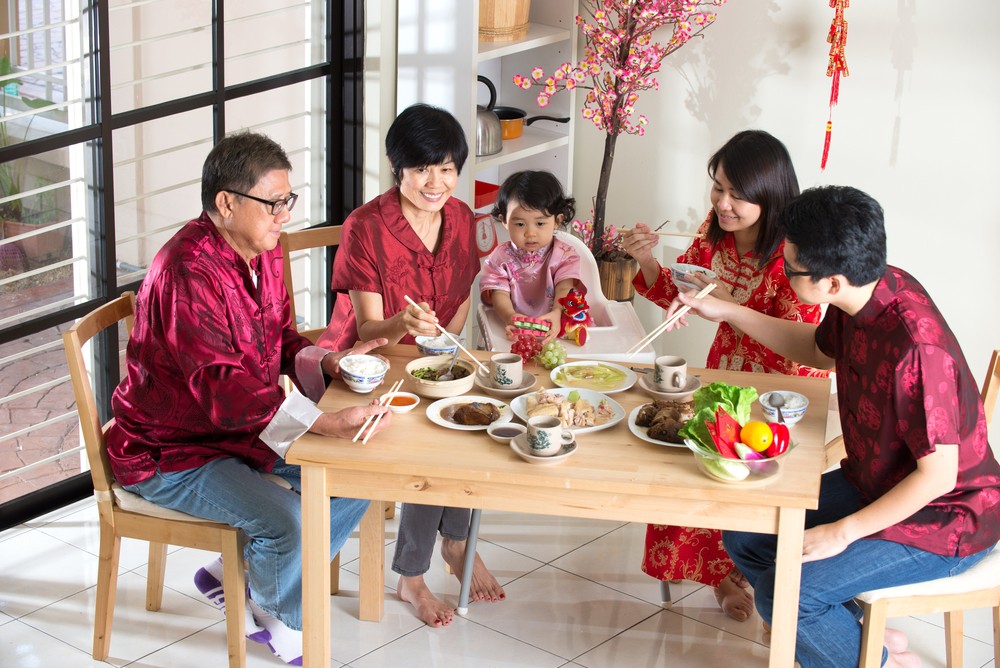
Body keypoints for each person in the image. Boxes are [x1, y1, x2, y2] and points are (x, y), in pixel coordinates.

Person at [668, 185, 1000, 668]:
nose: (783, 272)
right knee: (746, 535)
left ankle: (869, 659)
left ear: (832, 282)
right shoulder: (868, 294)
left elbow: (939, 476)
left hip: (946, 516)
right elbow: (818, 351)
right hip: (875, 479)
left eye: (790, 269)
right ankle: (860, 642)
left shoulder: (915, 348)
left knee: (788, 594)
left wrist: (843, 532)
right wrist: (726, 310)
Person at [106, 131, 391, 665]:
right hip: (170, 451)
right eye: (274, 203)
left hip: (239, 430)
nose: (284, 215)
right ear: (226, 204)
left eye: (289, 200)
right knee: (286, 519)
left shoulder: (263, 250)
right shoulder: (185, 271)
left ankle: (241, 576)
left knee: (360, 473)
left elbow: (281, 338)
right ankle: (279, 614)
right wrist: (321, 424)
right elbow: (222, 391)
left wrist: (329, 362)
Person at [621, 130, 827, 621]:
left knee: (753, 480)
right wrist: (646, 261)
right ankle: (720, 574)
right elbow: (683, 293)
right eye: (718, 187)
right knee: (702, 469)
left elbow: (803, 337)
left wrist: (727, 308)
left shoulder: (793, 254)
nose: (723, 203)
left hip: (782, 387)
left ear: (770, 194)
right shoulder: (716, 233)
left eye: (738, 194)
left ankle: (745, 576)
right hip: (725, 372)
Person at [316, 103, 504, 628]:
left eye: (446, 168)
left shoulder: (463, 218)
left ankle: (457, 543)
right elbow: (368, 328)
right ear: (398, 167)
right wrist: (404, 322)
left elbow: (462, 296)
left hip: (433, 358)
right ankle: (412, 577)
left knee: (472, 423)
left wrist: (444, 345)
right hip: (365, 365)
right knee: (431, 440)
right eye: (422, 168)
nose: (435, 181)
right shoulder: (364, 227)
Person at [479, 170, 582, 344]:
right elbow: (499, 294)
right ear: (504, 221)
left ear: (558, 220)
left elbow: (565, 288)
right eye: (520, 224)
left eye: (540, 223)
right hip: (513, 330)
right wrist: (510, 316)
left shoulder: (565, 255)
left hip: (555, 326)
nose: (530, 233)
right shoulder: (500, 257)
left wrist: (557, 312)